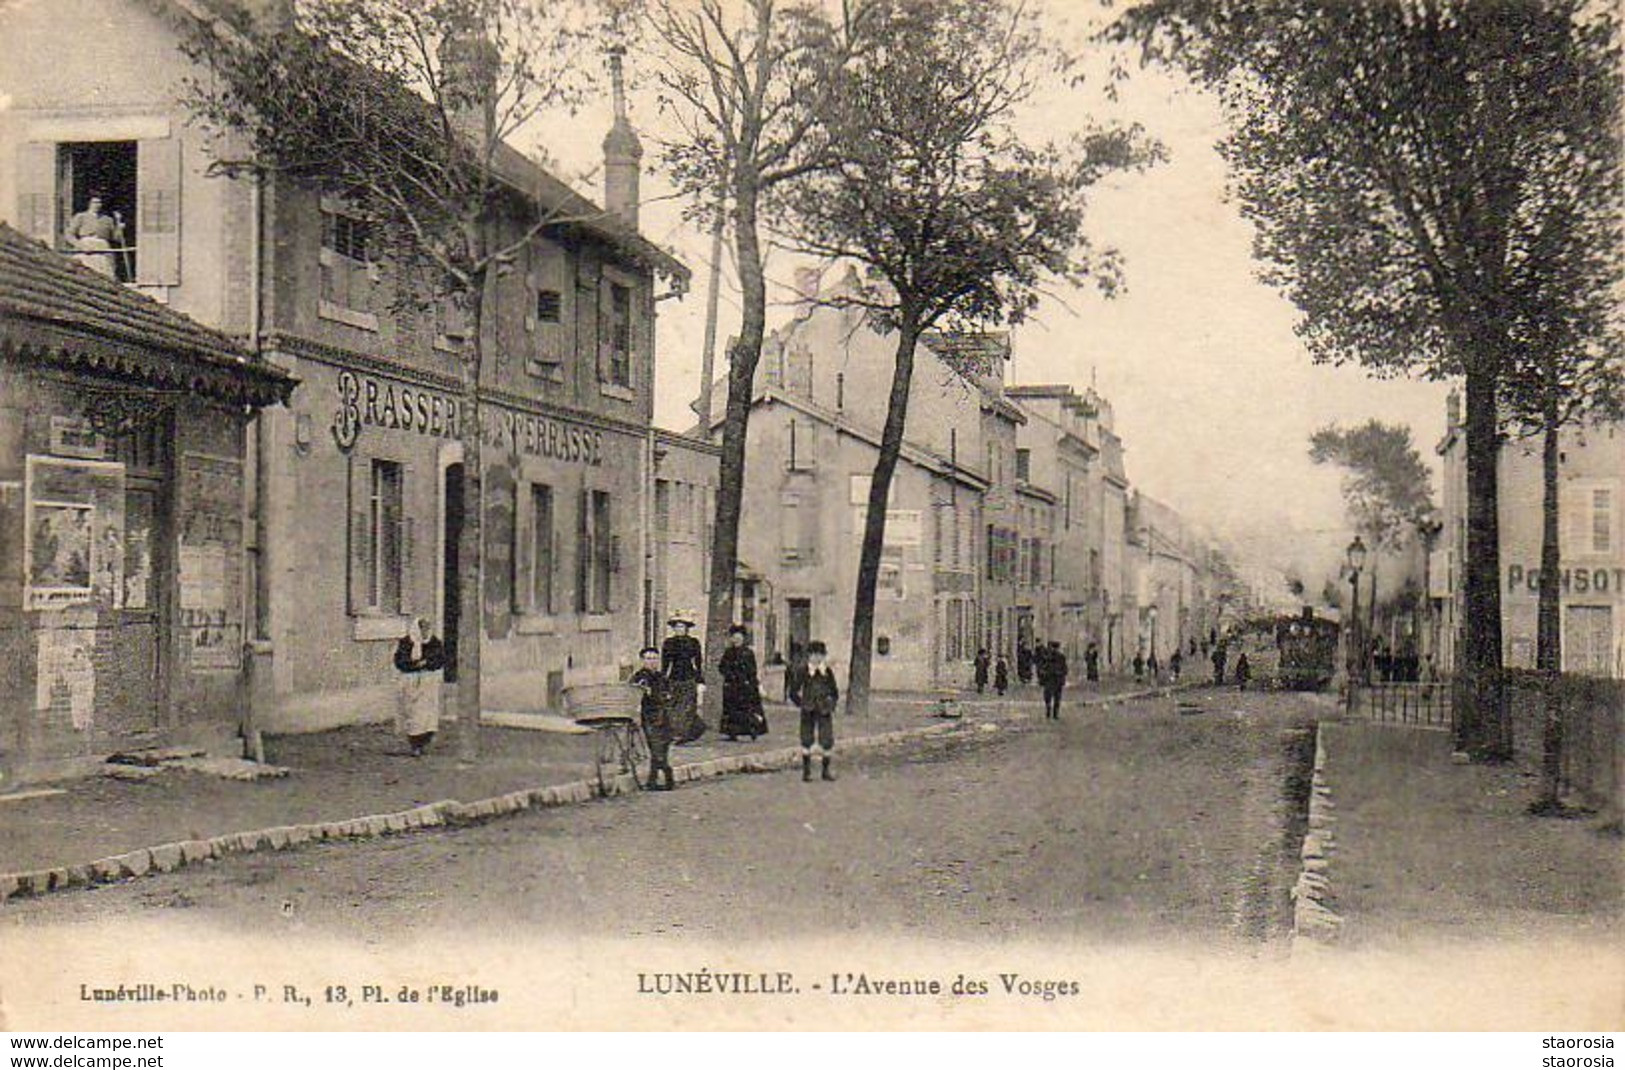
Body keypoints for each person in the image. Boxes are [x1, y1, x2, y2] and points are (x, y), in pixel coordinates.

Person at [393, 617, 445, 757]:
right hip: (410, 682)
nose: (425, 632)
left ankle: (423, 743)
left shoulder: (434, 642)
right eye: (422, 628)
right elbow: (399, 661)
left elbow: (440, 659)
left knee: (427, 715)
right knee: (413, 713)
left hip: (428, 683)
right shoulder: (406, 642)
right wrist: (414, 664)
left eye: (427, 628)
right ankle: (414, 744)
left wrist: (427, 663)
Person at [630, 646, 676, 790]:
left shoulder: (662, 677)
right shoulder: (638, 677)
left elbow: (669, 695)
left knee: (662, 748)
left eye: (655, 658)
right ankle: (666, 776)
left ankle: (657, 780)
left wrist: (654, 694)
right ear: (642, 661)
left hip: (665, 716)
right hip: (649, 717)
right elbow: (633, 694)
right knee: (656, 748)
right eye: (648, 659)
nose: (652, 662)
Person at [794, 639, 839, 782]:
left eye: (820, 655)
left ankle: (825, 770)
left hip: (824, 709)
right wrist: (800, 703)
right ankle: (806, 771)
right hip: (808, 709)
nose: (817, 658)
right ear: (809, 655)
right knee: (806, 738)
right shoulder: (803, 671)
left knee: (827, 738)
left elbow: (834, 691)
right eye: (814, 655)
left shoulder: (827, 672)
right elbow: (793, 691)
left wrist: (831, 704)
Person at [661, 612, 706, 744]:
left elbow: (697, 662)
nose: (679, 629)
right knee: (673, 706)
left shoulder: (693, 642)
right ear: (673, 629)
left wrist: (700, 679)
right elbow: (665, 662)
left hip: (688, 677)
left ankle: (684, 734)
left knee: (687, 707)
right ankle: (677, 732)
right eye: (676, 627)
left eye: (682, 627)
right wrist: (664, 677)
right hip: (674, 677)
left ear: (687, 629)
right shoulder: (668, 643)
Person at [718, 624, 767, 741]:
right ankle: (732, 733)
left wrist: (754, 684)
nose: (736, 640)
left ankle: (752, 730)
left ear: (743, 639)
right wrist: (728, 674)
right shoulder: (728, 652)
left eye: (739, 637)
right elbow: (721, 667)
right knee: (731, 710)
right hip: (731, 685)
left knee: (747, 709)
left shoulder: (748, 653)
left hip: (745, 685)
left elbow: (752, 670)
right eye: (734, 637)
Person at [64, 194, 125, 278]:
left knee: (105, 273)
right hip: (86, 247)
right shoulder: (81, 217)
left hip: (103, 248)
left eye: (99, 203)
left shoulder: (107, 219)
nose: (97, 205)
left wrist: (119, 227)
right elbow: (69, 234)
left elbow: (115, 238)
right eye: (94, 202)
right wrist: (80, 245)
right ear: (89, 204)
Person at [1040, 640, 1068, 720]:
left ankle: (1054, 713)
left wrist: (1060, 673)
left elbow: (1065, 669)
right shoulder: (1048, 657)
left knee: (1055, 697)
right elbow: (1042, 668)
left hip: (1055, 680)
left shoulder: (1060, 657)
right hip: (1051, 679)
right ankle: (1051, 711)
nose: (1054, 650)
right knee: (1051, 697)